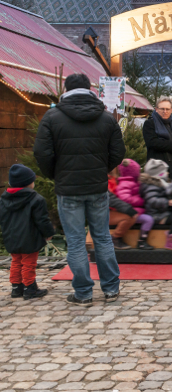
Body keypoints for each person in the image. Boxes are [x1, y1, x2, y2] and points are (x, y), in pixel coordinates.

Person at [34, 73, 124, 306]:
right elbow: (118, 151)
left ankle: (83, 293)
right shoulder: (106, 118)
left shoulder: (52, 116)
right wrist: (102, 169)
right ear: (89, 89)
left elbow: (42, 153)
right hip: (97, 186)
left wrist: (55, 174)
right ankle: (111, 289)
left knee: (75, 241)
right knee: (102, 237)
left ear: (66, 89)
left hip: (68, 188)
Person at [0, 164, 56, 300]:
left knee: (16, 261)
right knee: (29, 263)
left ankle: (16, 287)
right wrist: (49, 233)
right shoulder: (36, 199)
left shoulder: (3, 199)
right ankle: (29, 288)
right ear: (28, 183)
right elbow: (42, 220)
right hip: (30, 237)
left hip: (11, 237)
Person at [140, 159, 172, 251]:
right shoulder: (152, 185)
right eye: (165, 172)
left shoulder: (159, 184)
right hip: (156, 214)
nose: (167, 174)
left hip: (161, 211)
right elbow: (152, 200)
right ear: (159, 174)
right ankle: (170, 241)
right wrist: (167, 202)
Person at [114, 159, 154, 250]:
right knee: (148, 219)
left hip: (139, 210)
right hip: (133, 212)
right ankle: (142, 241)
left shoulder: (135, 182)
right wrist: (142, 201)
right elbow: (124, 198)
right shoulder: (125, 184)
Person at [142, 97, 172, 178]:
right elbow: (152, 143)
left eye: (167, 109)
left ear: (171, 110)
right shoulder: (150, 123)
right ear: (156, 109)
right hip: (157, 170)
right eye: (162, 109)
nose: (165, 112)